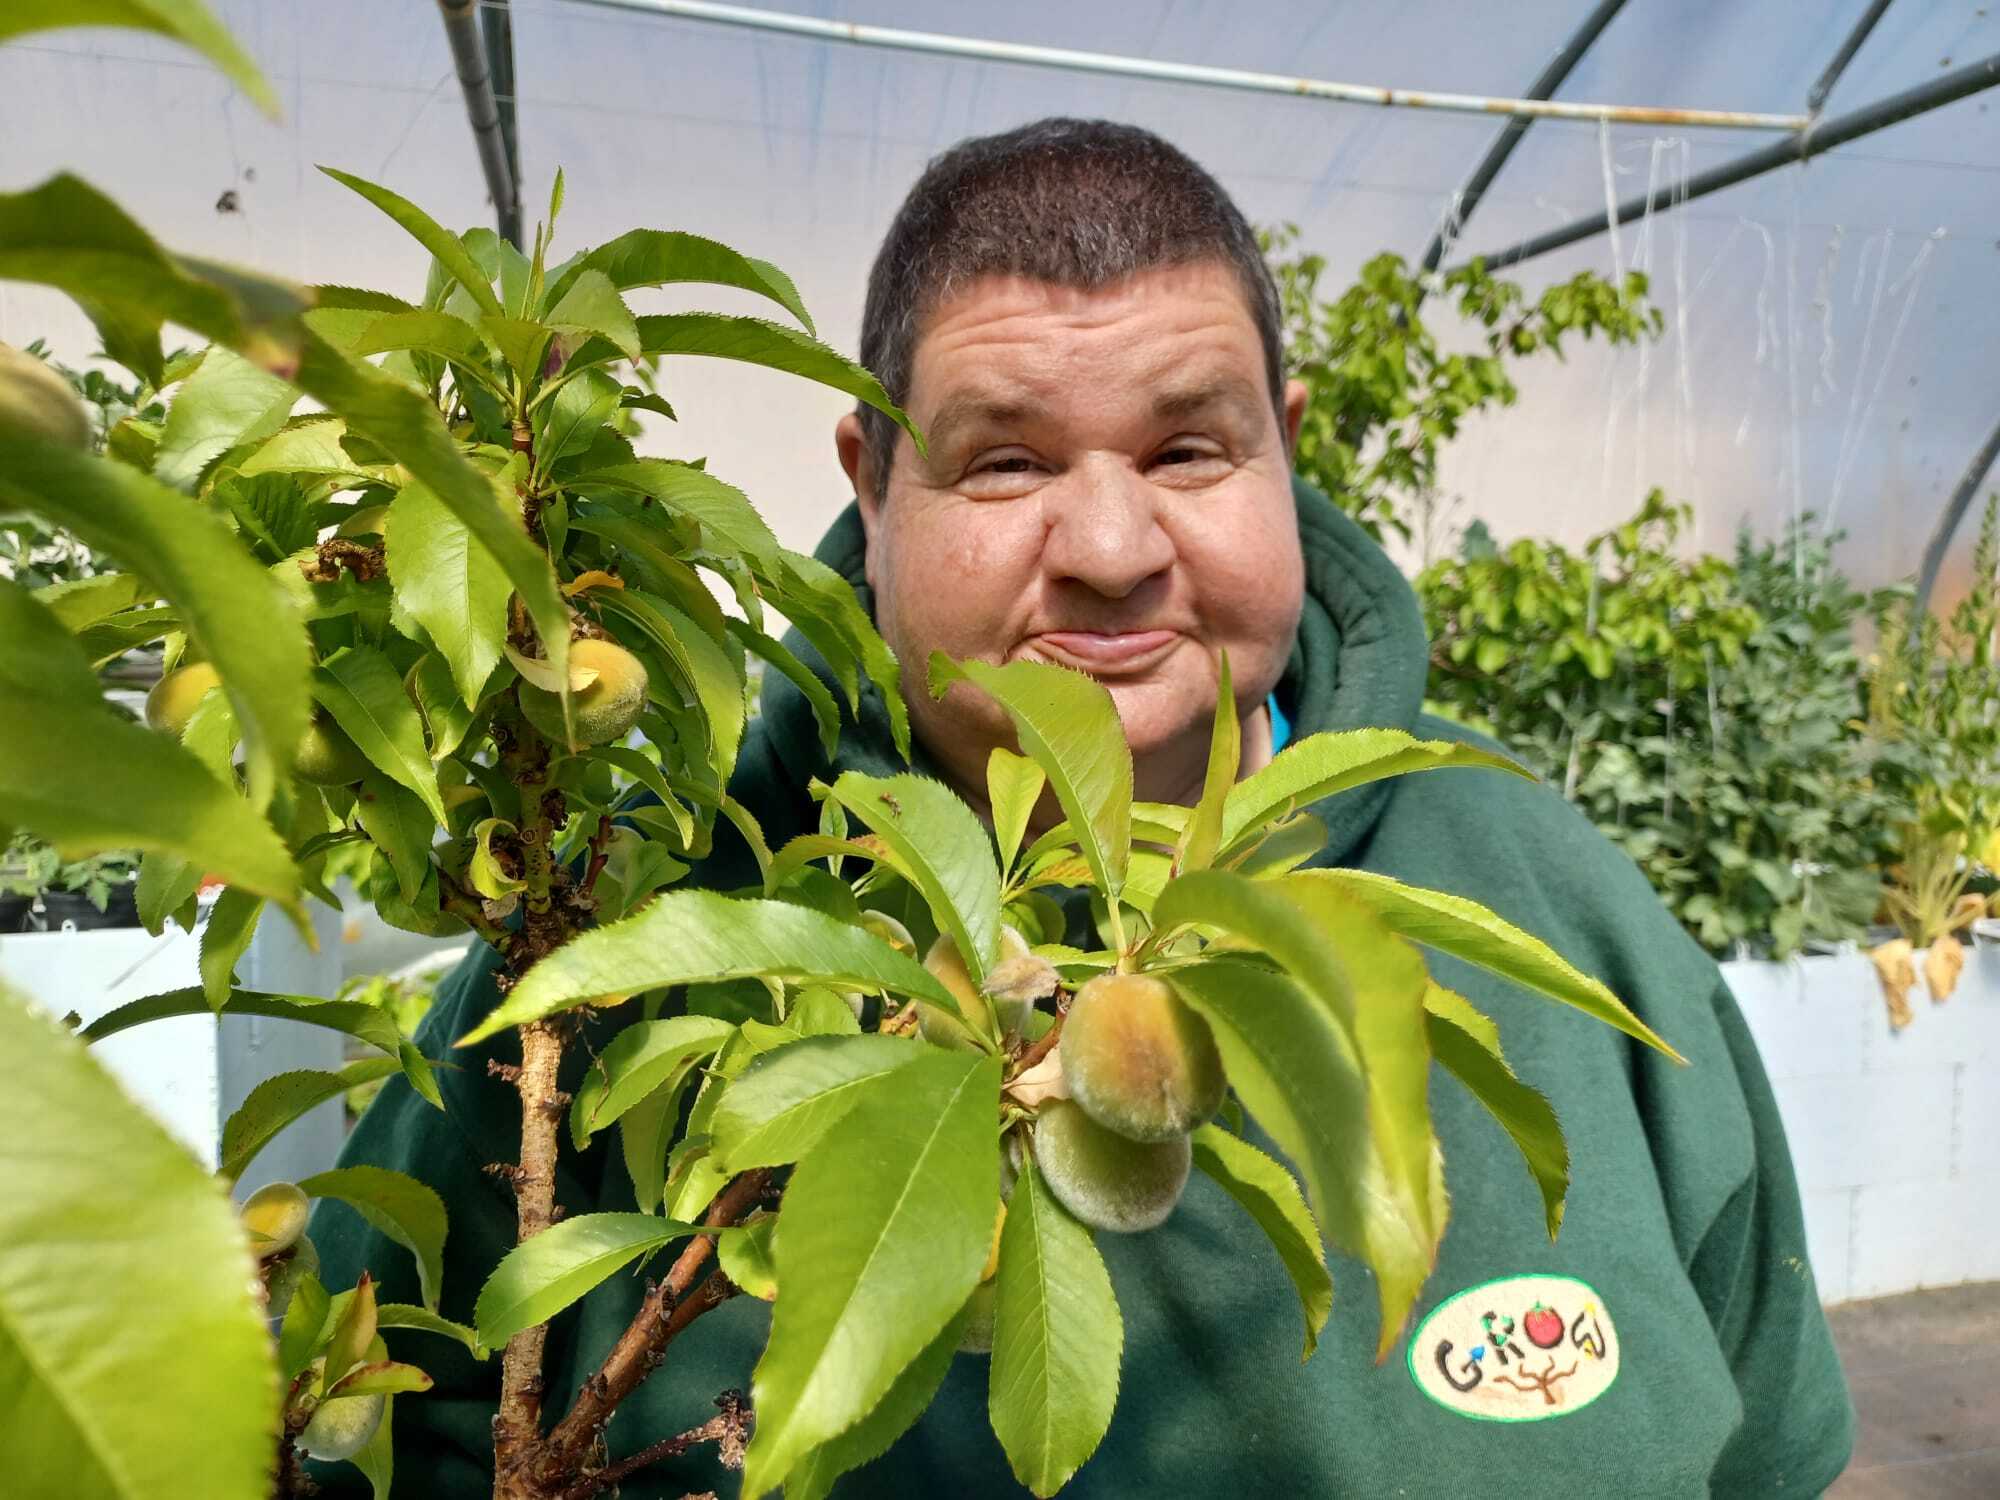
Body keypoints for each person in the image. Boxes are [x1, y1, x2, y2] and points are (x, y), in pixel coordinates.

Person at [314, 118, 1853, 1496]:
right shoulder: (642, 932)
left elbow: (1779, 1457)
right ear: (872, 481)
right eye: (1006, 460)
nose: (1114, 545)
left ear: (1290, 445)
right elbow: (329, 1424)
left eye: (1189, 447)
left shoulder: (1542, 891)